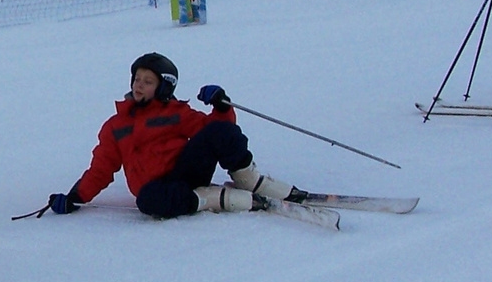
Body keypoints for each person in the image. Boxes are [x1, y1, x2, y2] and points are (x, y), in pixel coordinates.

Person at [43, 53, 306, 220]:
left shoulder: (175, 113)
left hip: (187, 172)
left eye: (148, 81)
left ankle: (250, 180)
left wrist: (222, 106)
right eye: (137, 79)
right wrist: (75, 197)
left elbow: (217, 131)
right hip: (158, 190)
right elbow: (101, 169)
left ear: (163, 87)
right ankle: (211, 198)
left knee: (219, 130)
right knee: (148, 202)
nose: (138, 85)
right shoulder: (116, 126)